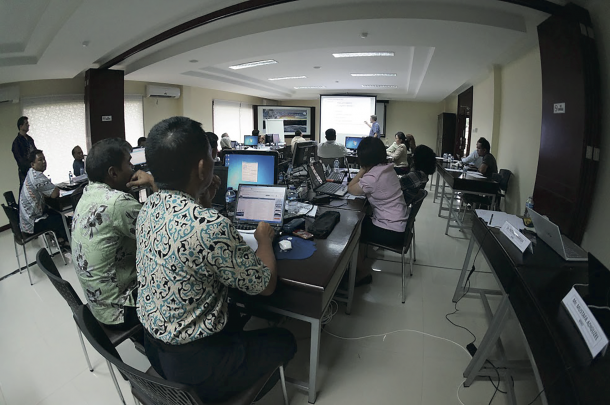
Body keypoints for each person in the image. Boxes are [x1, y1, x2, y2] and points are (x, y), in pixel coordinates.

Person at [136, 117, 296, 403]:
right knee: (285, 340)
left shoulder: (148, 206)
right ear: (201, 167)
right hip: (197, 367)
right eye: (212, 156)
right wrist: (264, 241)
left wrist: (205, 200)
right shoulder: (210, 226)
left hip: (154, 347)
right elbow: (265, 285)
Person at [71, 138, 157, 330]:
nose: (133, 168)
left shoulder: (87, 193)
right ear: (113, 172)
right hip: (120, 310)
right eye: (128, 163)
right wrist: (152, 182)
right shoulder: (117, 203)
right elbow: (165, 232)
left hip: (99, 304)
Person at [347, 137, 408, 285]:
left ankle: (362, 273)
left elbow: (351, 188)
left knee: (351, 230)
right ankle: (359, 260)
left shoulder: (372, 177)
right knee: (361, 219)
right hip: (399, 224)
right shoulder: (388, 169)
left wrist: (363, 169)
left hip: (391, 231)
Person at [19, 150, 69, 243]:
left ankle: (60, 240)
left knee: (56, 214)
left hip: (26, 222)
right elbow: (55, 194)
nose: (44, 162)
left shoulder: (31, 172)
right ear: (33, 164)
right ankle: (68, 242)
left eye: (44, 159)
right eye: (40, 160)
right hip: (32, 224)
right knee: (59, 219)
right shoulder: (37, 176)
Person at [12, 116, 37, 190]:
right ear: (21, 126)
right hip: (25, 172)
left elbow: (35, 152)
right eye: (26, 124)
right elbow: (20, 161)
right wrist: (30, 165)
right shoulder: (17, 142)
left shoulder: (30, 139)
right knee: (26, 190)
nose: (28, 125)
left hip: (34, 170)